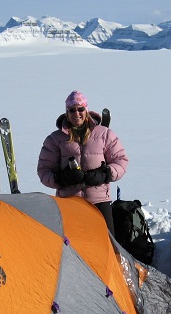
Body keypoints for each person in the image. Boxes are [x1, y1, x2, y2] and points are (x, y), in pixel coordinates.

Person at [37, 90, 128, 236]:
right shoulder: (55, 139)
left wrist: (105, 174)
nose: (76, 113)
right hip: (69, 202)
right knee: (74, 247)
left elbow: (121, 161)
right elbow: (44, 171)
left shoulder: (104, 134)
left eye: (80, 109)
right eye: (72, 110)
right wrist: (61, 179)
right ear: (67, 112)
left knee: (107, 244)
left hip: (99, 201)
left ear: (86, 110)